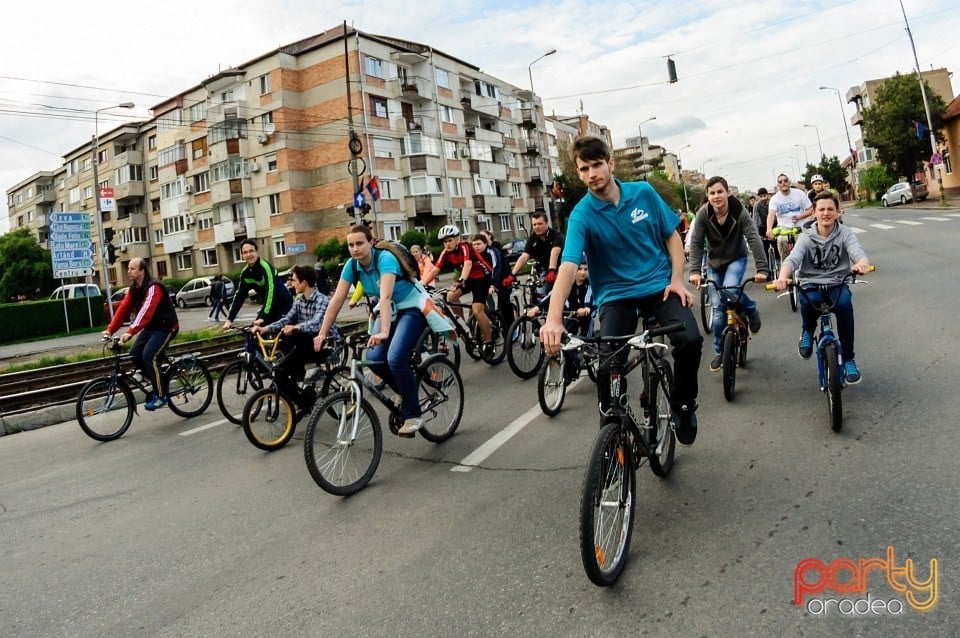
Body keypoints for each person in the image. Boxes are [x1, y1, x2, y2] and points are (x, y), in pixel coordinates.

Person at [540, 136, 703, 445]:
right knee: (606, 367)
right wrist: (554, 318)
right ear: (578, 172)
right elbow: (569, 264)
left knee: (690, 339)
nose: (591, 174)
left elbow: (672, 236)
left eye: (596, 165)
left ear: (610, 163)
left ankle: (683, 404)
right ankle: (613, 437)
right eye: (583, 169)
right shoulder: (581, 215)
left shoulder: (642, 193)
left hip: (659, 286)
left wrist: (677, 279)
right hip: (616, 296)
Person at [313, 225, 427, 435]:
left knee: (395, 358)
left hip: (411, 306)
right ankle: (403, 391)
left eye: (359, 243)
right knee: (374, 359)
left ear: (370, 242)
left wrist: (383, 332)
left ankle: (414, 415)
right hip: (389, 311)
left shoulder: (385, 259)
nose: (355, 249)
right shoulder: (352, 265)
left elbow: (384, 297)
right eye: (350, 245)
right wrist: (322, 332)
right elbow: (337, 299)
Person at [771, 192, 870, 383]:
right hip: (810, 282)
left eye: (830, 209)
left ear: (838, 212)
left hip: (837, 282)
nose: (826, 213)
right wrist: (782, 277)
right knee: (810, 302)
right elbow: (792, 260)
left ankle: (849, 359)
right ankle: (807, 331)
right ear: (814, 213)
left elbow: (858, 253)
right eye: (821, 209)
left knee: (844, 305)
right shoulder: (806, 237)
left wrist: (862, 264)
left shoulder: (845, 233)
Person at [688, 176, 769, 372]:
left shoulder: (739, 212)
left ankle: (751, 309)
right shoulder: (702, 215)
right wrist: (695, 271)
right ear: (708, 196)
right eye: (712, 193)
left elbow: (753, 237)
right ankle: (719, 352)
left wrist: (762, 269)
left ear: (727, 193)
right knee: (717, 310)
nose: (716, 196)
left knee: (731, 290)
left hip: (736, 258)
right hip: (715, 263)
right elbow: (697, 243)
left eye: (719, 192)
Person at [102, 258, 180, 410]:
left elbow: (146, 312)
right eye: (129, 268)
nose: (128, 271)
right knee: (134, 355)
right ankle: (155, 378)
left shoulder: (153, 287)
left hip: (167, 327)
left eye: (132, 269)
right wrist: (110, 330)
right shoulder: (134, 289)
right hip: (151, 328)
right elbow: (123, 309)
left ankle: (161, 395)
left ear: (142, 271)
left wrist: (131, 331)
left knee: (149, 356)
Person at [253, 264, 338, 383]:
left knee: (290, 360)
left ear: (304, 282)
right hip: (307, 341)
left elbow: (316, 323)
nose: (291, 284)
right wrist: (265, 329)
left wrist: (295, 327)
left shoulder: (322, 299)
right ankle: (301, 384)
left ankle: (307, 382)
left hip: (326, 343)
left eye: (294, 280)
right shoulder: (299, 299)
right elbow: (286, 319)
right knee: (283, 369)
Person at [421, 224, 496, 356]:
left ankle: (489, 342)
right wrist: (422, 284)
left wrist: (461, 280)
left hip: (482, 278)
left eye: (450, 240)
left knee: (477, 310)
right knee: (451, 296)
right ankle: (463, 326)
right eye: (444, 241)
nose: (447, 244)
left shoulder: (464, 247)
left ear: (457, 239)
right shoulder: (446, 252)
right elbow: (436, 269)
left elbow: (468, 263)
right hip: (468, 279)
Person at [222, 238, 293, 330]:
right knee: (254, 334)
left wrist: (263, 317)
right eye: (245, 252)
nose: (249, 255)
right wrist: (229, 319)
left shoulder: (266, 267)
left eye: (251, 251)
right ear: (242, 256)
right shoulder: (245, 273)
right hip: (270, 309)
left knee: (284, 337)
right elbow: (239, 296)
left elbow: (270, 293)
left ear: (257, 253)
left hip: (285, 306)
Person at [503, 212, 563, 292]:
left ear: (546, 223)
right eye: (534, 224)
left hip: (559, 267)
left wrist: (551, 269)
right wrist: (512, 274)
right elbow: (524, 257)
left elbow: (554, 253)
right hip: (544, 270)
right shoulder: (532, 238)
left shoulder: (555, 235)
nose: (537, 227)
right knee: (541, 293)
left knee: (560, 291)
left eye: (540, 224)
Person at [766, 174, 813, 261]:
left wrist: (800, 216)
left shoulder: (799, 193)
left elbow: (810, 210)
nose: (783, 183)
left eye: (785, 180)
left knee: (803, 241)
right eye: (780, 182)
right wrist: (769, 229)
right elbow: (771, 214)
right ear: (778, 185)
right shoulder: (774, 199)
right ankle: (786, 267)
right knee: (781, 240)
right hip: (785, 228)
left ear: (789, 182)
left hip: (800, 227)